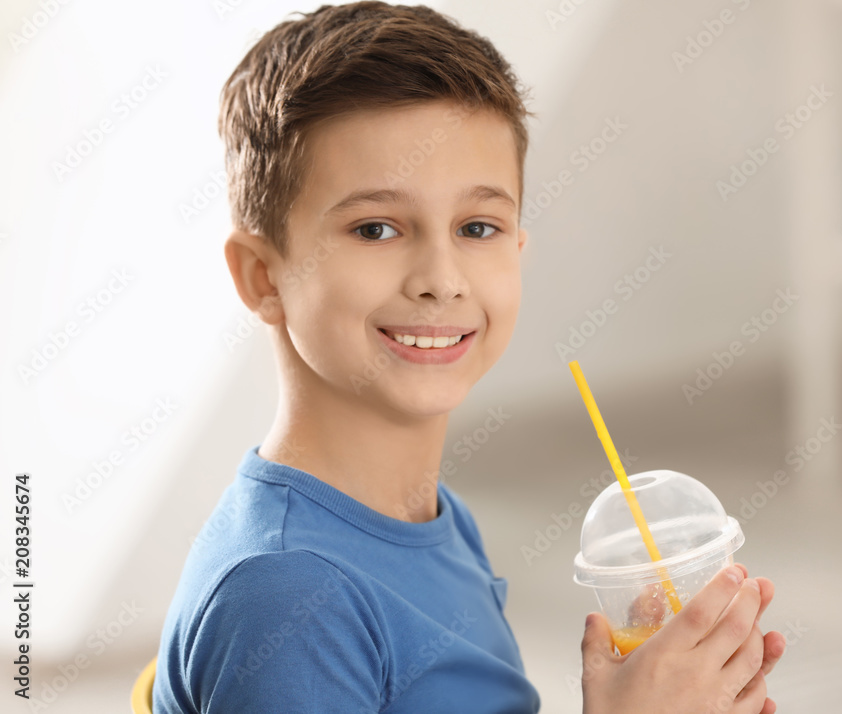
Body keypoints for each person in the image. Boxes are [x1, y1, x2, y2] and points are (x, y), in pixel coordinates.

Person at [153, 3, 785, 712]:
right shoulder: (292, 598)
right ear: (262, 277)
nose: (441, 276)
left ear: (517, 249)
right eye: (376, 227)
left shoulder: (435, 518)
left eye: (477, 227)